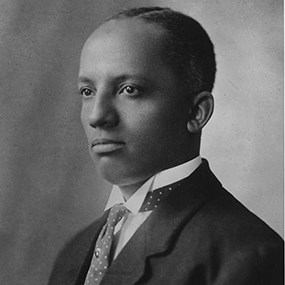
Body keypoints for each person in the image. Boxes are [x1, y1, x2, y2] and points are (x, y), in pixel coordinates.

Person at [48, 6, 283, 285]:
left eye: (130, 89)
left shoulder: (248, 254)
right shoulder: (76, 249)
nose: (98, 116)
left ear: (196, 112)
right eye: (88, 92)